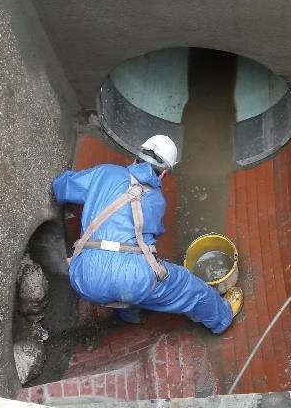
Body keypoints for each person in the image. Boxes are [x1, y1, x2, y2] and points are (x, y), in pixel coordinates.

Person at [53, 135, 242, 334]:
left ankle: (130, 314)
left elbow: (61, 188)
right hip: (133, 280)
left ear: (136, 158)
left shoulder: (105, 172)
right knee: (188, 287)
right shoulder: (156, 201)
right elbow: (152, 236)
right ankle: (222, 316)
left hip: (83, 277)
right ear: (163, 175)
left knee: (127, 276)